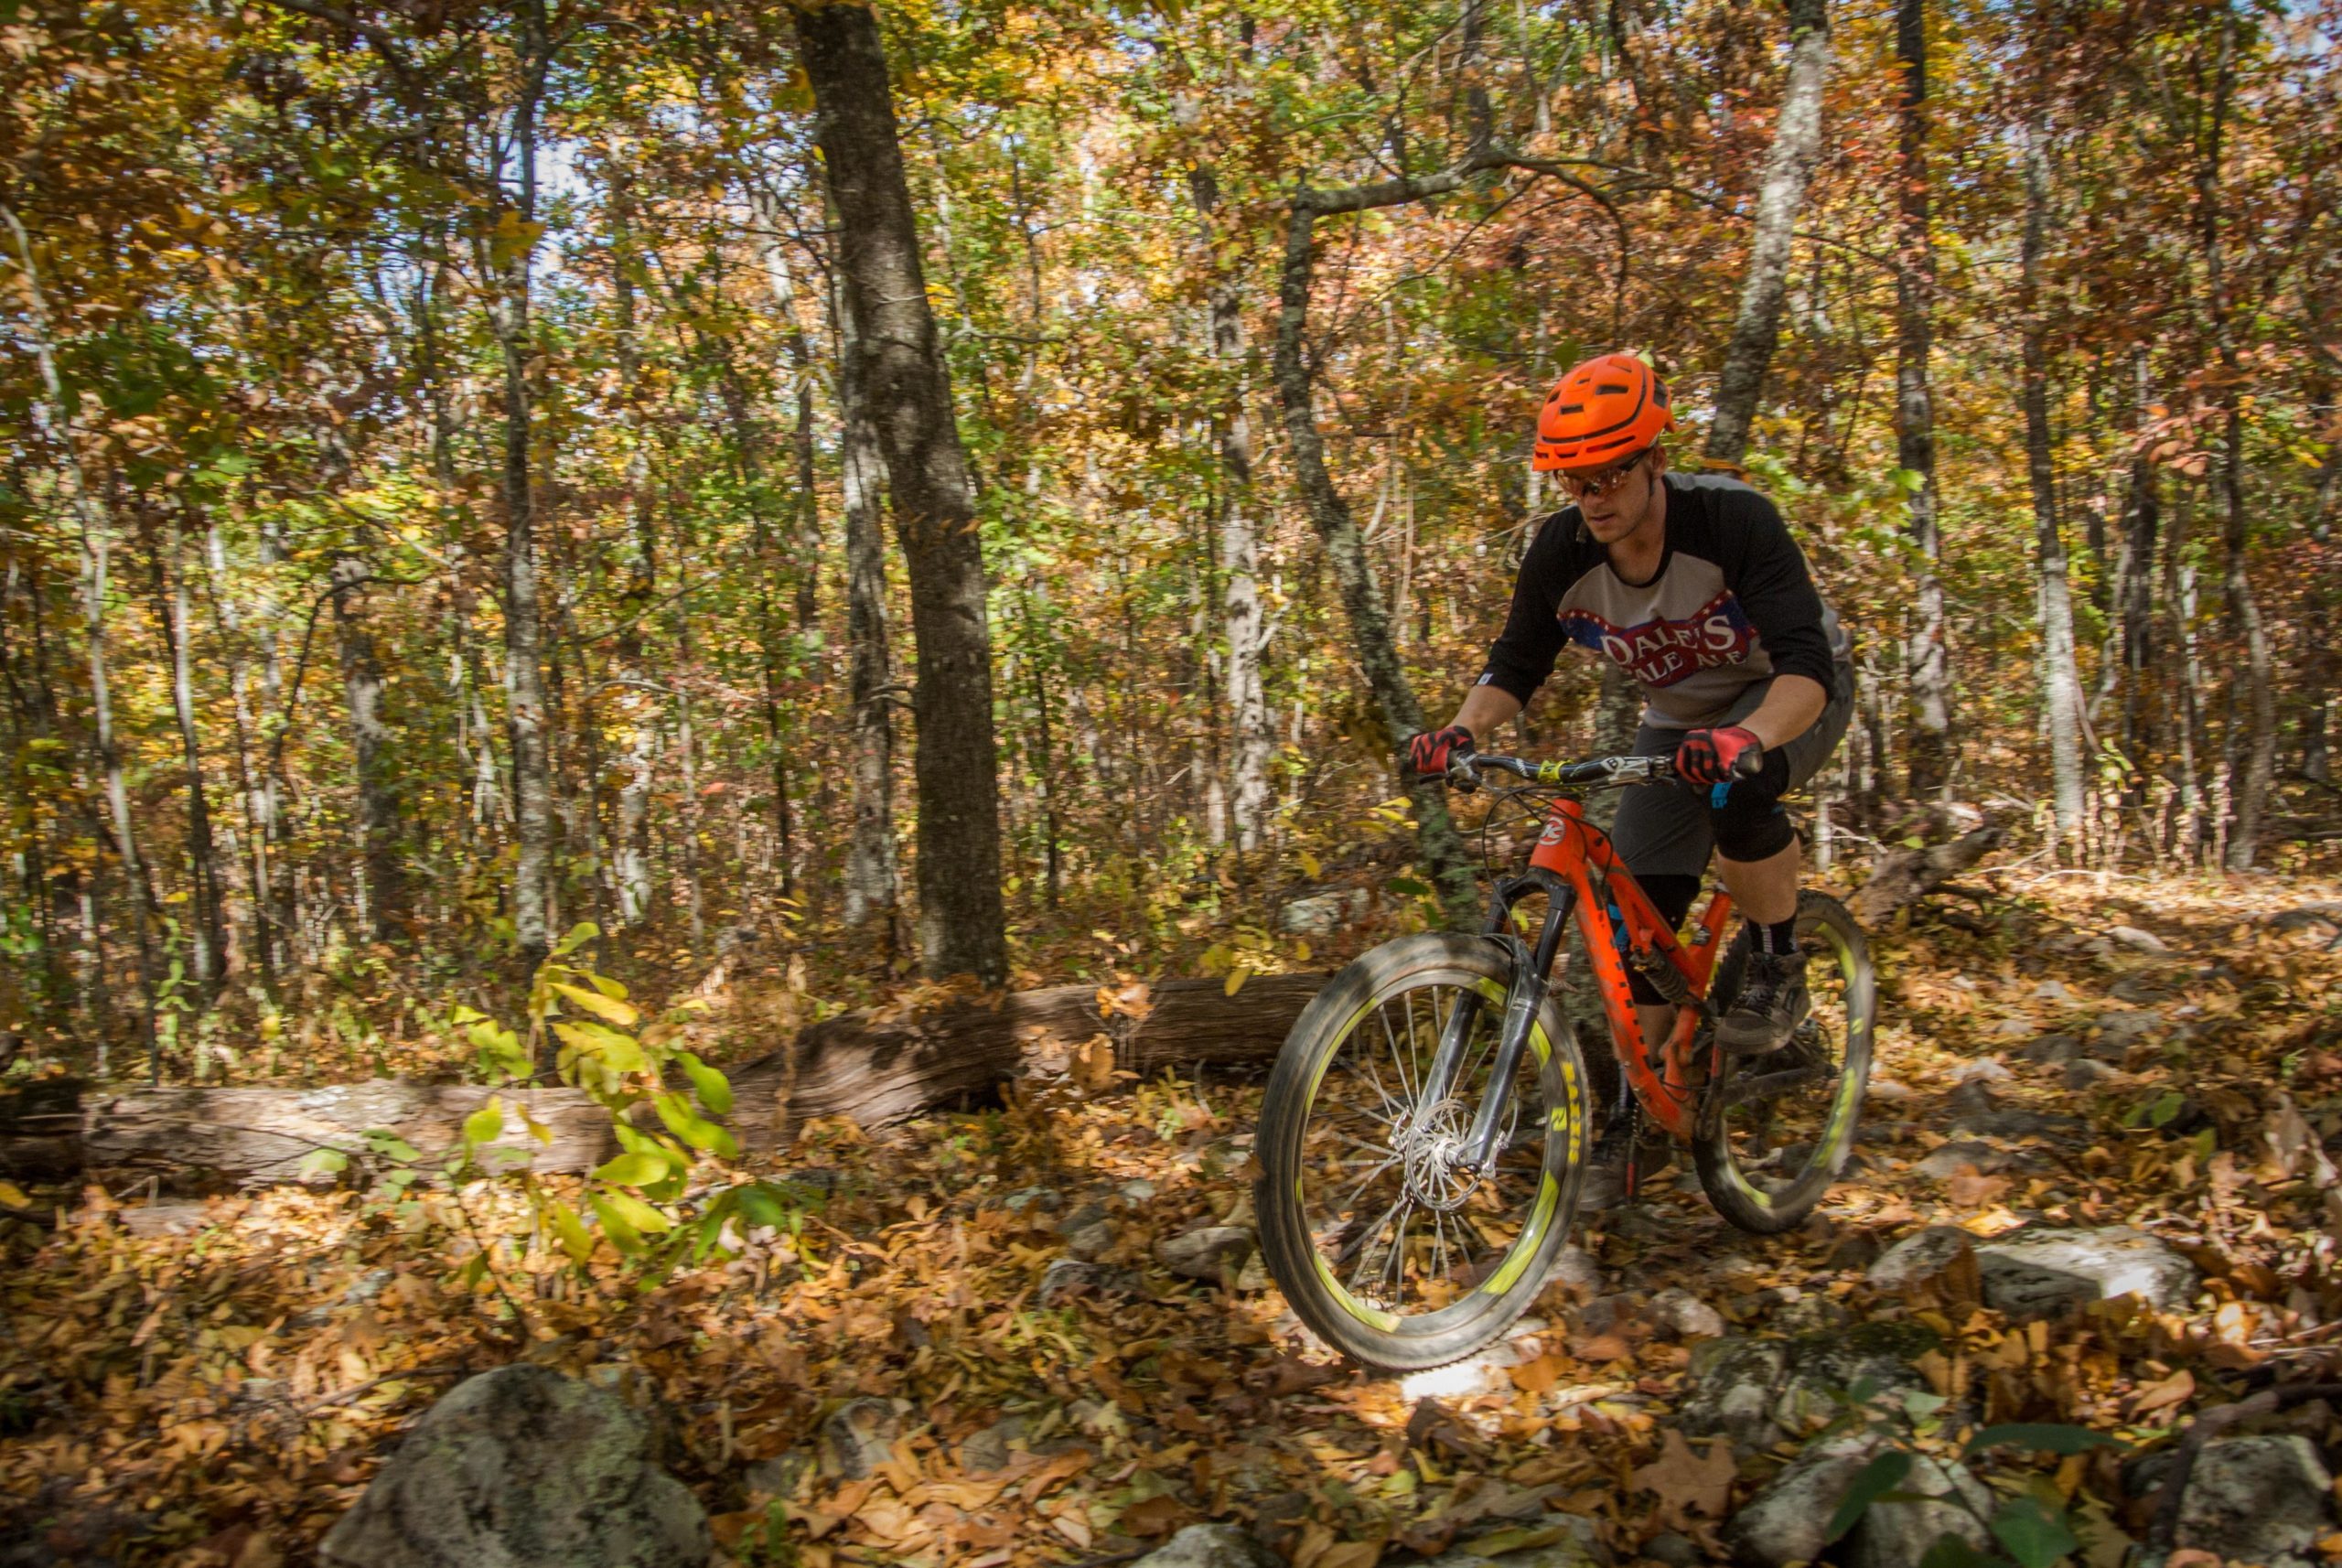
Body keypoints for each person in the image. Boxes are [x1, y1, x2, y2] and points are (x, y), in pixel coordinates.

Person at [1403, 352, 1854, 1200]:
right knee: (1641, 929)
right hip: (1680, 718)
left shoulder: (1733, 522)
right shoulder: (1563, 552)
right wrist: (1459, 732)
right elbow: (1516, 664)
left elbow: (1806, 664)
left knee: (1737, 788)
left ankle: (1777, 963)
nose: (1595, 495)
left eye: (1612, 471)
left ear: (1655, 459)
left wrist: (1747, 739)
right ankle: (1637, 1114)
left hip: (1788, 692)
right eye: (1576, 480)